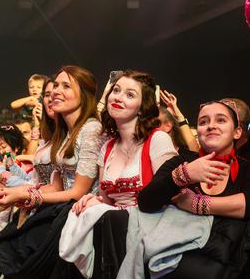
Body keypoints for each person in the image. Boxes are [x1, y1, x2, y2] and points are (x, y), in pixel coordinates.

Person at [0, 66, 102, 210]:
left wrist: (26, 196)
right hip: (62, 206)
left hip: (80, 211)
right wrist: (9, 192)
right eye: (56, 86)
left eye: (66, 86)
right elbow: (55, 187)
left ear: (84, 95)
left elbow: (77, 193)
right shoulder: (66, 133)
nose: (56, 91)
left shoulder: (91, 129)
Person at [138, 100, 250, 220]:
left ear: (237, 132)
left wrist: (198, 203)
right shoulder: (180, 162)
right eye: (203, 122)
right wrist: (184, 174)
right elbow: (145, 202)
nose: (210, 126)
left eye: (221, 120)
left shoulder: (248, 168)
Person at [71, 71, 177, 213]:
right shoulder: (107, 149)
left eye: (130, 95)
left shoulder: (158, 139)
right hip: (117, 225)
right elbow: (107, 202)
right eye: (116, 90)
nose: (118, 98)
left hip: (151, 223)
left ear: (142, 107)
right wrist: (94, 201)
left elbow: (168, 196)